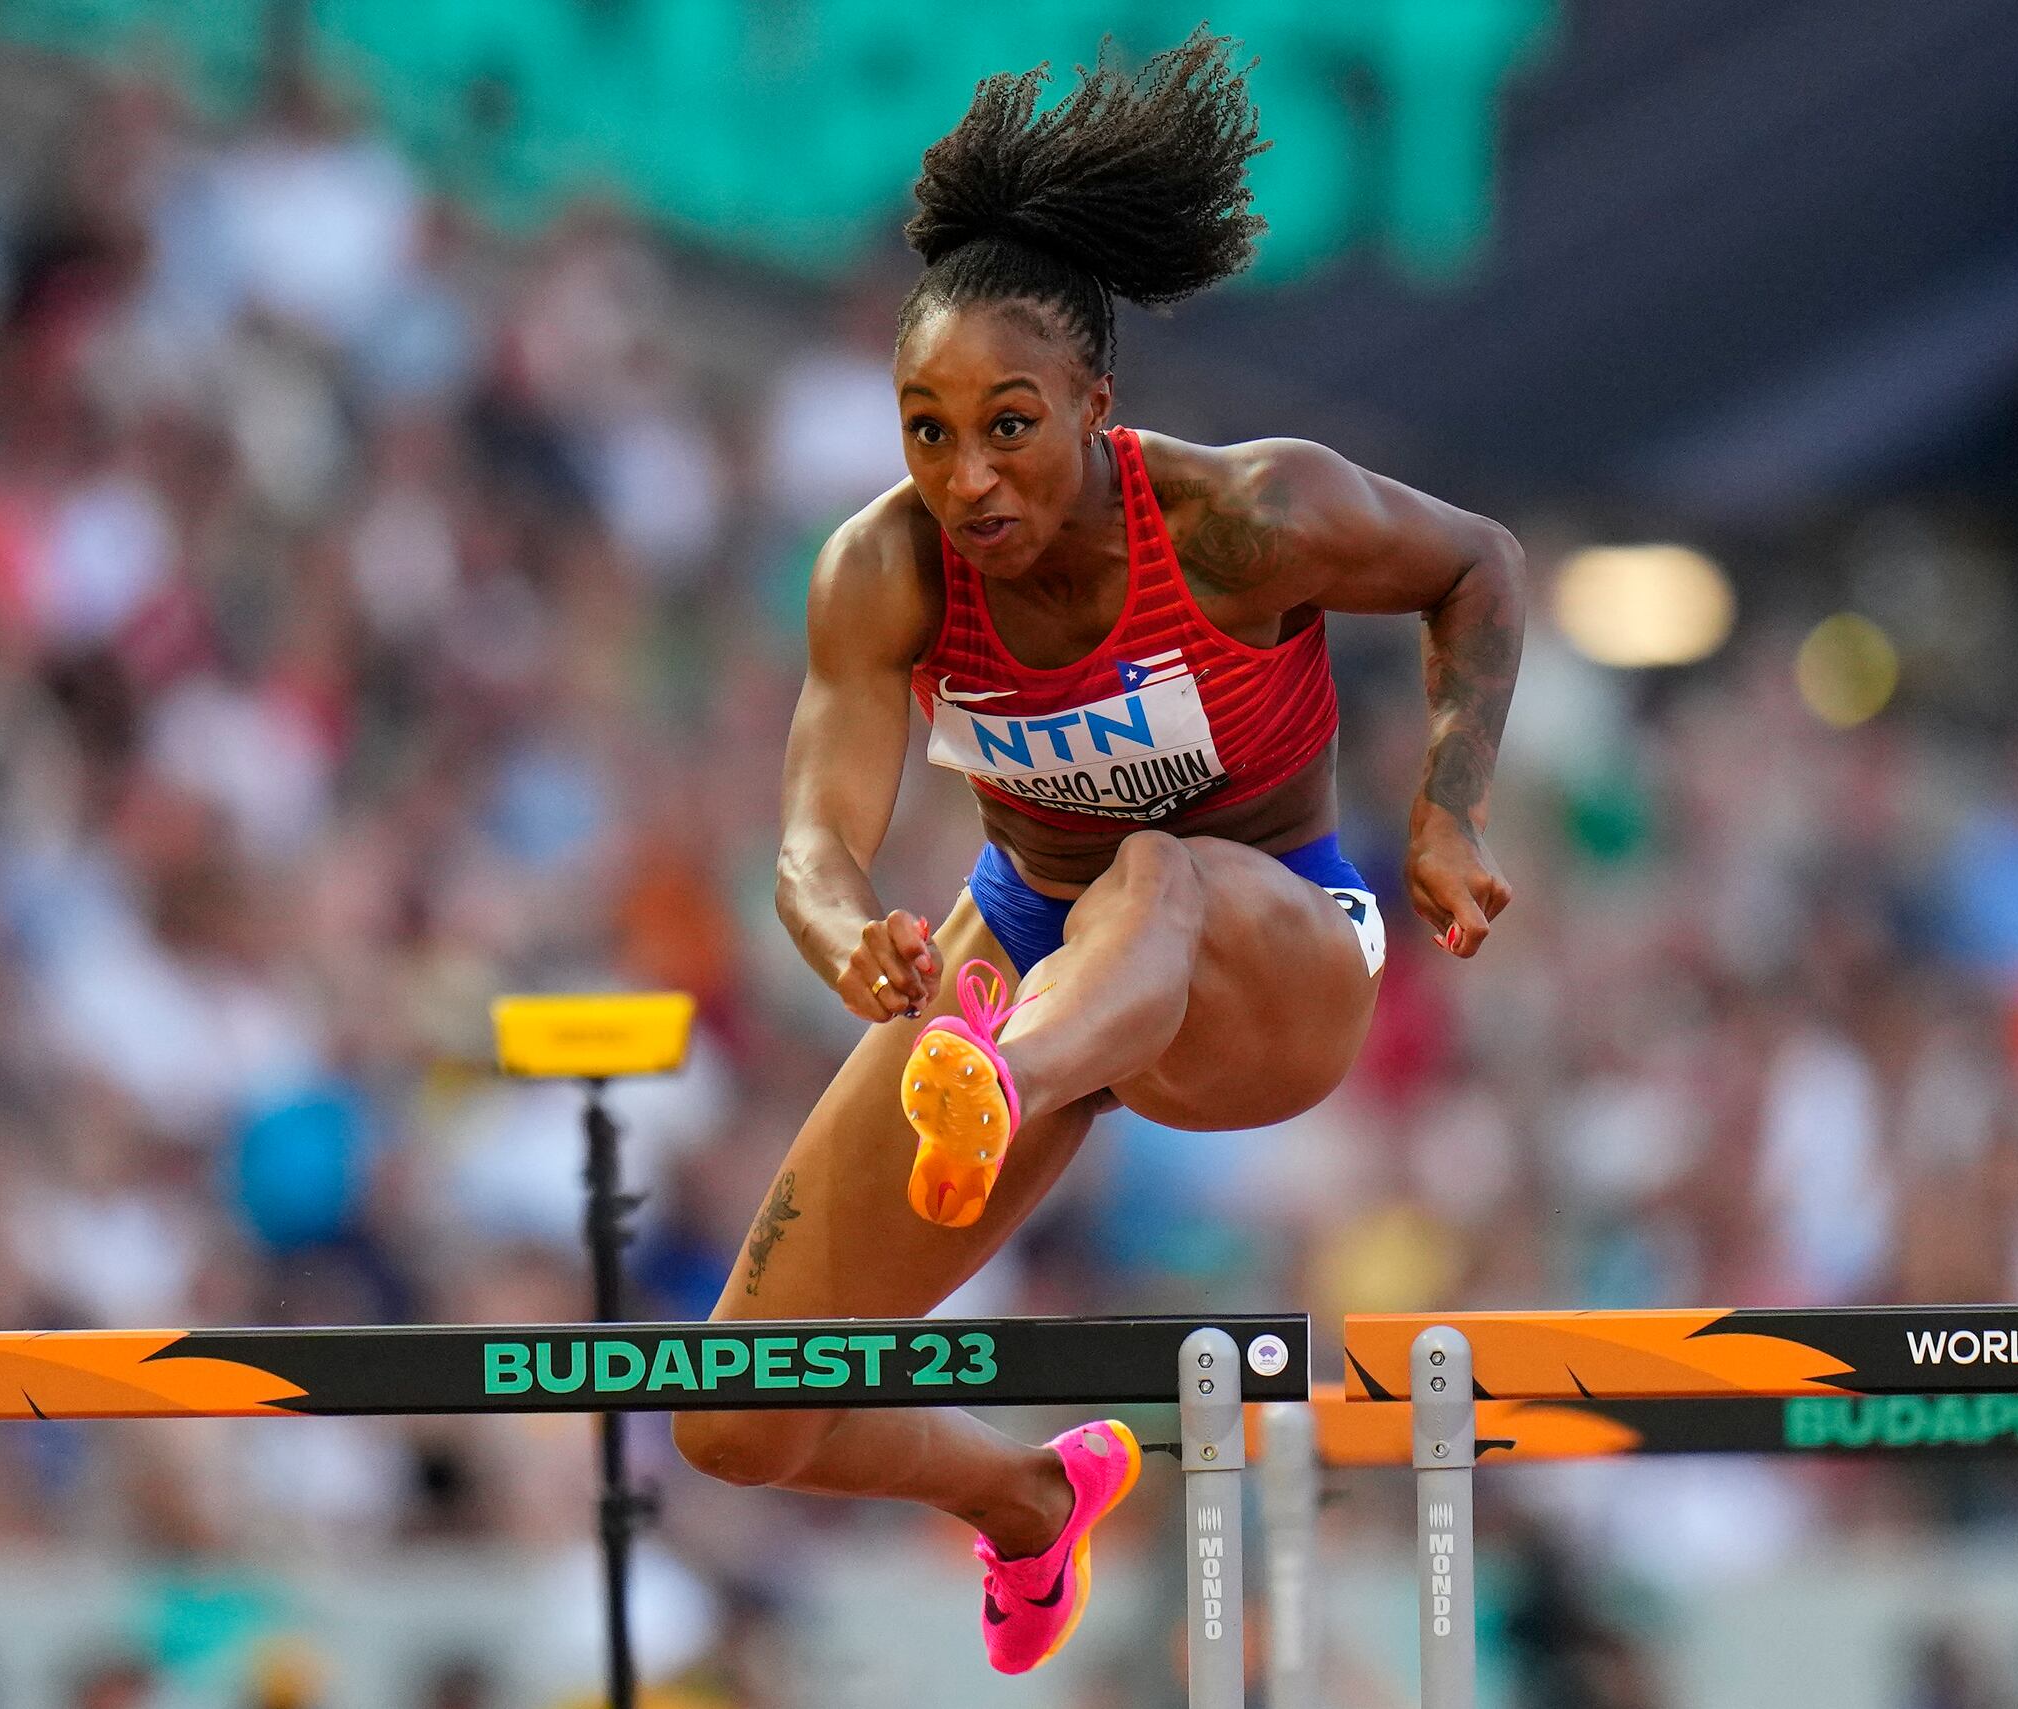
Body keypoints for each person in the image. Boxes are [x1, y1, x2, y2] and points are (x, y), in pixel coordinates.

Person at [673, 30, 1523, 1675]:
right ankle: (1020, 1502)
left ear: (1096, 404)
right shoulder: (886, 569)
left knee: (1160, 870)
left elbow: (1476, 565)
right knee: (729, 1416)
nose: (968, 477)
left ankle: (998, 1070)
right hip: (1024, 947)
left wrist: (1450, 804)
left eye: (1008, 425)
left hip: (1272, 952)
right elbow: (809, 835)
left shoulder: (1244, 517)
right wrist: (846, 930)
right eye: (926, 431)